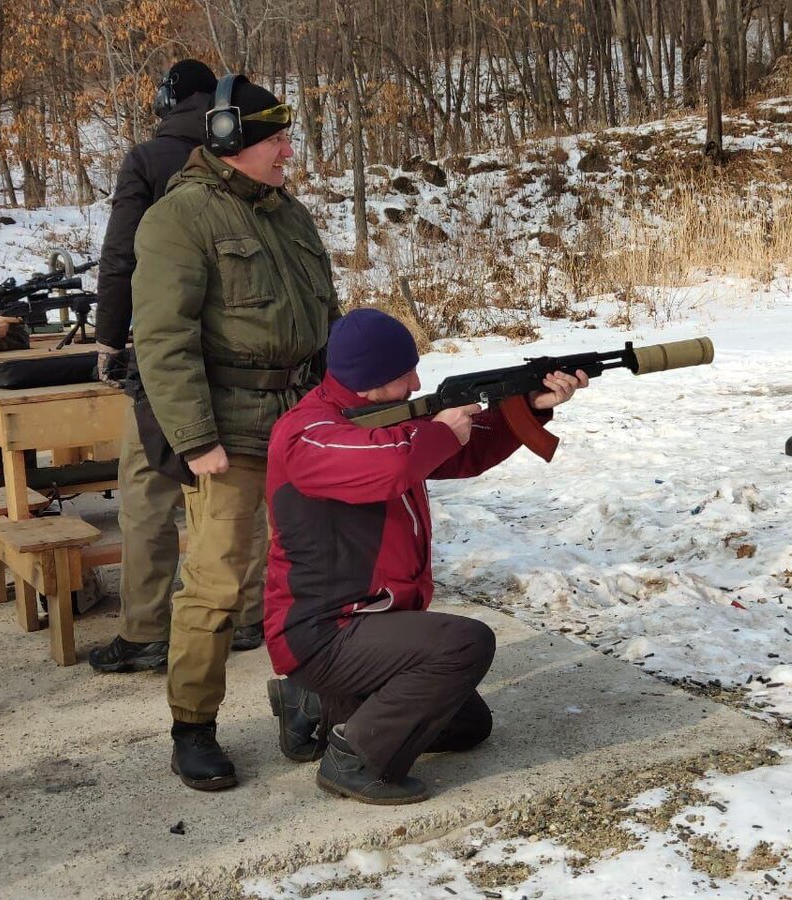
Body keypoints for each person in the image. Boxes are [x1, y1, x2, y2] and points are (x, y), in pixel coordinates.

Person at [262, 309, 586, 804]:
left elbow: (462, 453)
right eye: (403, 375)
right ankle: (354, 760)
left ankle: (316, 703)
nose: (417, 382)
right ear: (367, 381)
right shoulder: (307, 434)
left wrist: (530, 407)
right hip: (323, 629)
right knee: (463, 644)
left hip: (371, 622)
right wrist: (436, 432)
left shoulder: (383, 422)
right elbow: (393, 465)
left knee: (469, 726)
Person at [132, 73, 339, 790]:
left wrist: (345, 403)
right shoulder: (176, 220)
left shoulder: (289, 214)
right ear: (230, 143)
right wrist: (195, 439)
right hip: (231, 436)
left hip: (305, 427)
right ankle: (193, 727)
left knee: (311, 577)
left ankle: (304, 696)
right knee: (217, 587)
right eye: (275, 137)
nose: (288, 148)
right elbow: (163, 341)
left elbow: (326, 322)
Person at [88, 59, 266, 673]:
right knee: (240, 487)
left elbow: (119, 259)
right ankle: (246, 615)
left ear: (170, 100)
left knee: (146, 490)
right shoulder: (251, 152)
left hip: (168, 354)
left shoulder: (148, 159)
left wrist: (109, 341)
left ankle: (145, 629)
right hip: (245, 358)